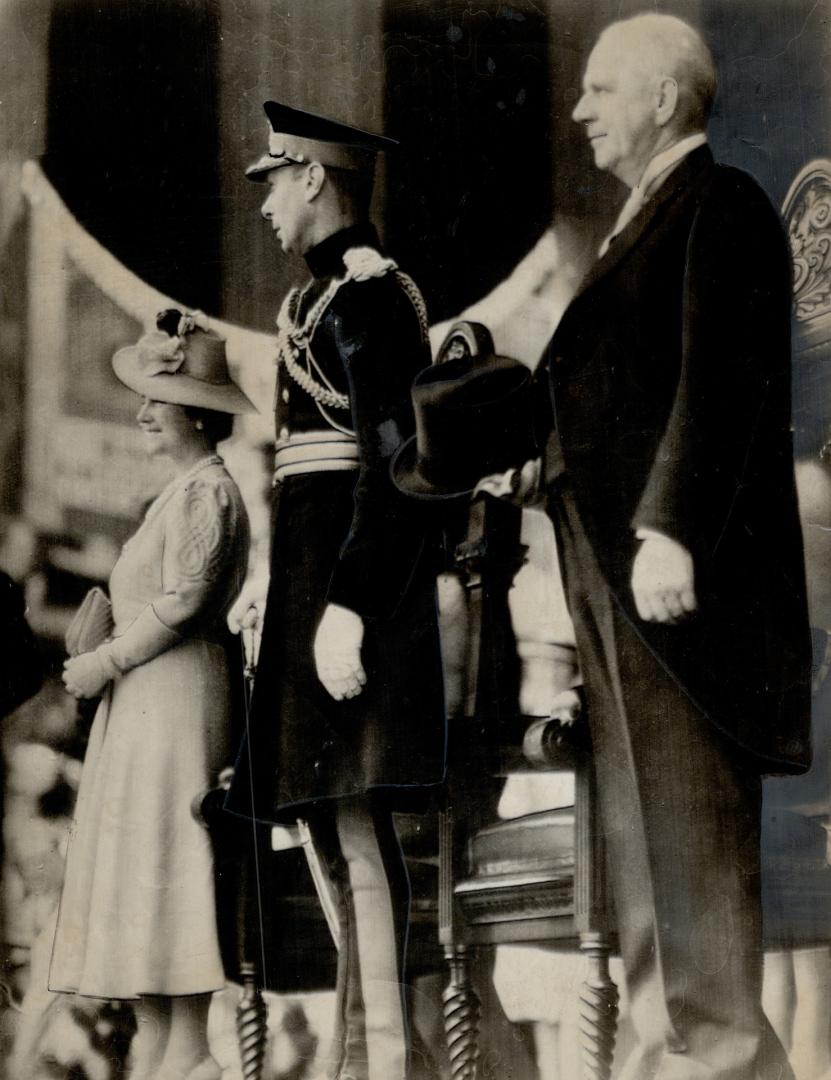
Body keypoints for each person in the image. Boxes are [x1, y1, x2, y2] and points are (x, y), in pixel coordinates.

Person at [478, 12, 811, 1079]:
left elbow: (720, 382)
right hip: (617, 592)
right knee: (650, 872)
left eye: (599, 91)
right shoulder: (642, 225)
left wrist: (668, 529)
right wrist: (541, 467)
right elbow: (616, 401)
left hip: (675, 603)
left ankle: (719, 1068)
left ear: (665, 97)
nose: (578, 112)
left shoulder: (720, 204)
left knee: (686, 875)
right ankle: (678, 1063)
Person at [225, 102, 446, 1080]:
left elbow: (396, 470)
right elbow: (303, 485)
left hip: (358, 612)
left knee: (354, 830)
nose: (266, 203)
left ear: (314, 176)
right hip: (314, 604)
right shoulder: (315, 302)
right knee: (324, 826)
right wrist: (284, 590)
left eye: (274, 179)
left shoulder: (372, 298)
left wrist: (351, 605)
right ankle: (365, 1060)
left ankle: (383, 1067)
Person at [49, 310, 253, 1080]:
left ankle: (192, 1050)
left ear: (196, 415)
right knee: (143, 857)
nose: (142, 413)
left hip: (175, 697)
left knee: (172, 849)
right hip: (147, 699)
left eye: (156, 401)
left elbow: (187, 597)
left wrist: (106, 661)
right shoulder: (176, 494)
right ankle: (168, 1048)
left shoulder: (209, 493)